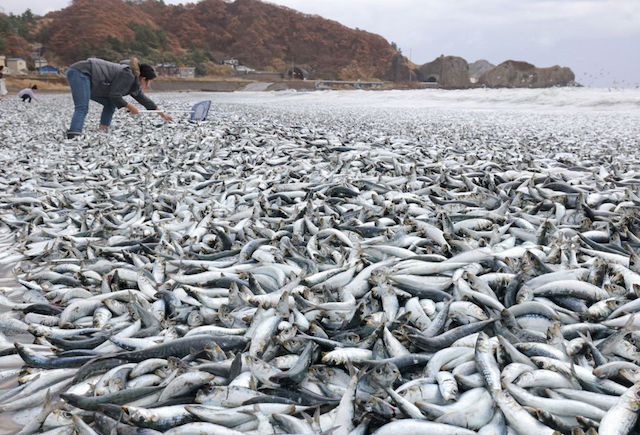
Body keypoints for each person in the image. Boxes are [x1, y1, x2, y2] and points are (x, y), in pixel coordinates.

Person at [65, 57, 172, 139]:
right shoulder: (128, 75)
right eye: (150, 81)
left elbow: (143, 99)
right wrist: (130, 107)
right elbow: (114, 95)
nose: (149, 84)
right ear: (143, 79)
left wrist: (162, 114)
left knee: (110, 103)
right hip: (81, 73)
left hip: (92, 80)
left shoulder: (134, 81)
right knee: (82, 106)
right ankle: (74, 135)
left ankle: (103, 130)